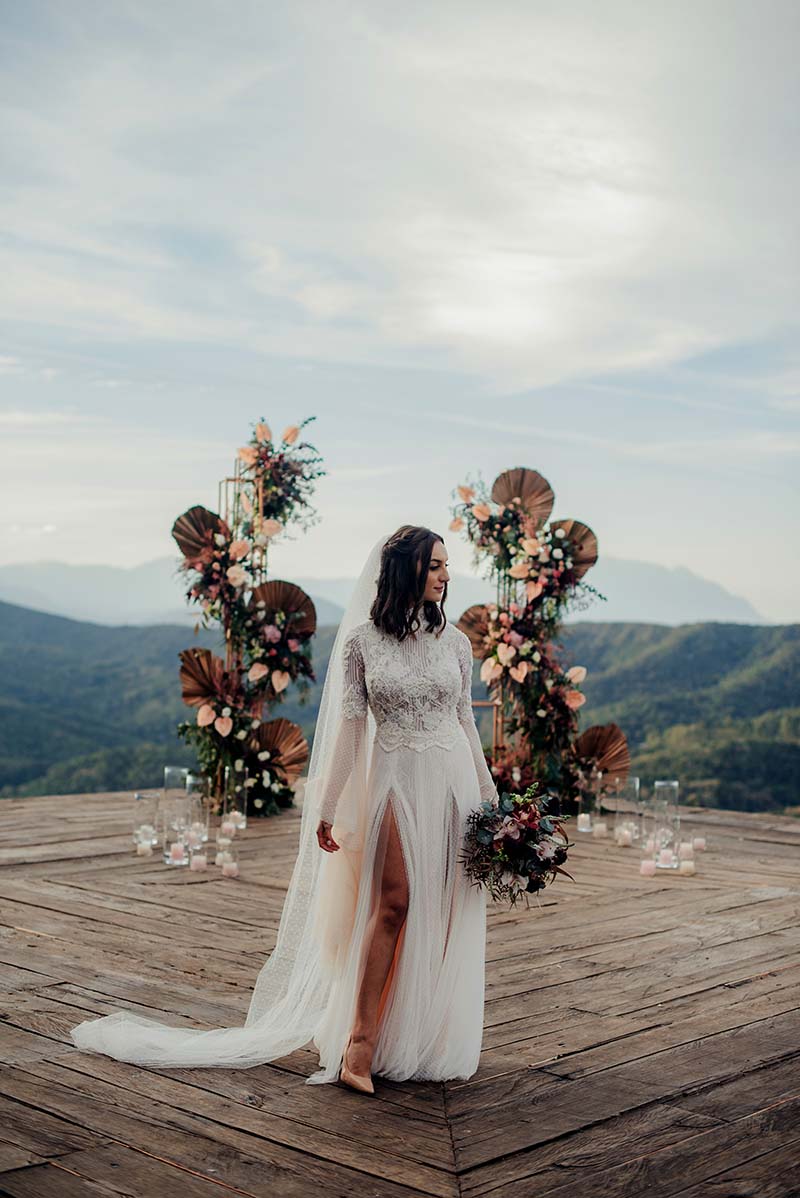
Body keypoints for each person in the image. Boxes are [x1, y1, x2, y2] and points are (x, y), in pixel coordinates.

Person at [70, 524, 499, 1093]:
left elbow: (466, 721)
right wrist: (327, 803)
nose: (447, 575)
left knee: (443, 911)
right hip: (395, 781)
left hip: (453, 784)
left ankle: (421, 1034)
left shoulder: (455, 644)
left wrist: (491, 797)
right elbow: (350, 730)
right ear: (407, 570)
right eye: (436, 565)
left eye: (447, 565)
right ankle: (359, 1043)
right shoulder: (363, 643)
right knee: (394, 903)